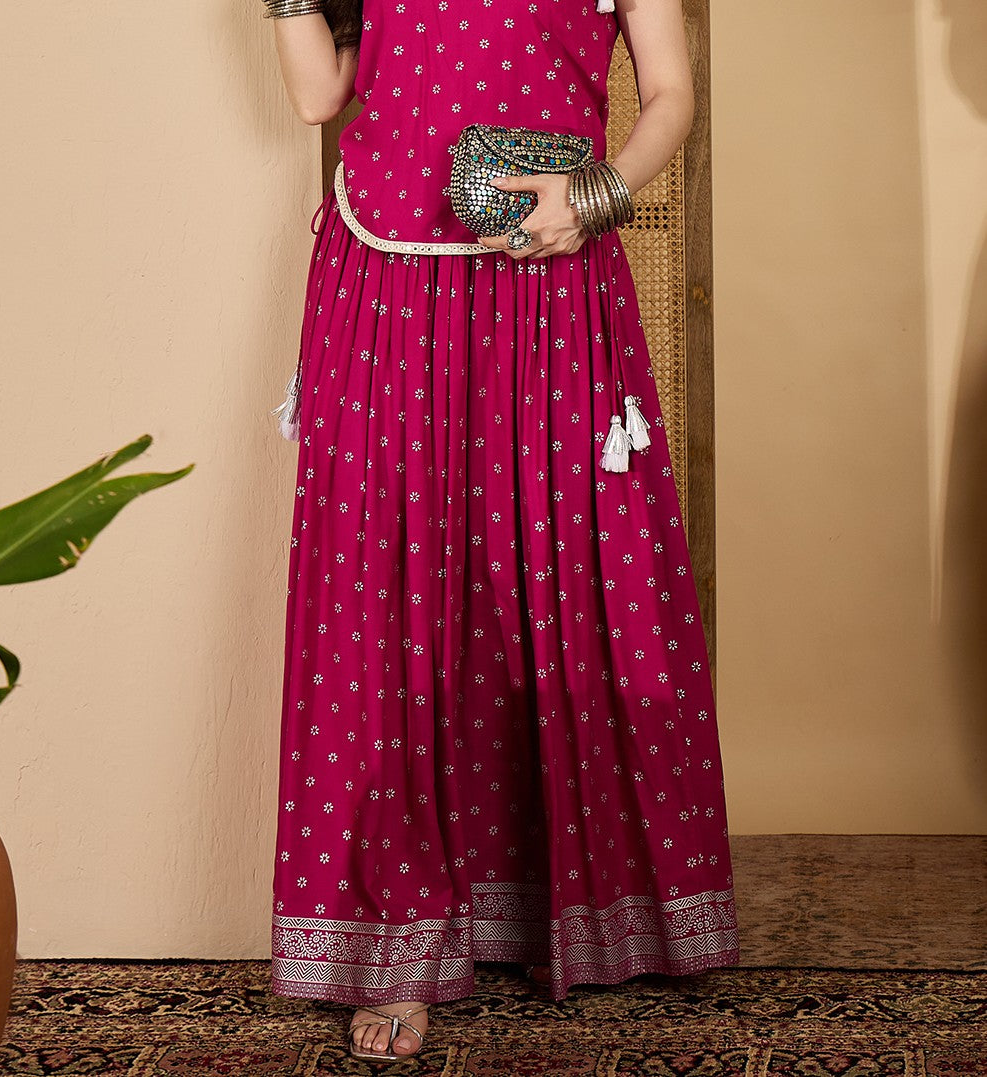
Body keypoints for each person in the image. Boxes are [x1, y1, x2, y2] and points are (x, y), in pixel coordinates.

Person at [264, 0, 740, 1062]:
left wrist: (597, 194)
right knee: (387, 601)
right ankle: (398, 945)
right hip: (387, 276)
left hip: (550, 277)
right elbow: (316, 95)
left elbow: (670, 94)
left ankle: (564, 911)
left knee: (560, 581)